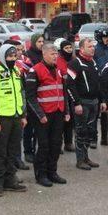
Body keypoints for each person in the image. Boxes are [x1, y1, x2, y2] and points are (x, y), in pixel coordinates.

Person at [0, 45, 28, 197]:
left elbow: (22, 94)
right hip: (1, 119)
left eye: (15, 56)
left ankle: (11, 180)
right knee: (0, 152)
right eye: (10, 57)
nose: (13, 59)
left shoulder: (17, 71)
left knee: (13, 151)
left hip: (16, 117)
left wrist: (23, 115)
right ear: (3, 56)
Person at [25, 43, 70, 187]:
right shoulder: (35, 70)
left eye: (56, 54)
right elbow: (30, 96)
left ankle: (52, 172)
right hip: (43, 115)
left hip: (58, 112)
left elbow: (64, 92)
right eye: (52, 54)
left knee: (56, 144)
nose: (55, 56)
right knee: (43, 146)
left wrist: (66, 111)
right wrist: (40, 114)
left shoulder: (58, 70)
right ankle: (41, 175)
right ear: (44, 54)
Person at [67, 38, 104, 170]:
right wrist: (76, 103)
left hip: (94, 102)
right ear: (81, 49)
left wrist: (103, 100)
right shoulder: (74, 63)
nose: (92, 48)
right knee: (81, 131)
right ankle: (80, 159)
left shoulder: (93, 62)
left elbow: (99, 83)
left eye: (93, 46)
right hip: (82, 102)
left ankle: (86, 157)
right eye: (89, 46)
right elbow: (69, 85)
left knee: (90, 131)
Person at [2, 39, 31, 171]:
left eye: (20, 50)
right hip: (4, 113)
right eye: (16, 50)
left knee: (16, 139)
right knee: (5, 146)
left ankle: (16, 161)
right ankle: (8, 168)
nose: (19, 53)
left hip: (19, 106)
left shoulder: (22, 63)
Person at [23, 33, 44, 163]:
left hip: (41, 94)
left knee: (40, 126)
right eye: (39, 42)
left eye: (43, 41)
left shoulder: (43, 55)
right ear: (33, 42)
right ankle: (27, 151)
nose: (41, 44)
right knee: (29, 127)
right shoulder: (28, 56)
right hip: (30, 94)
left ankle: (38, 149)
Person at [94, 25, 108, 147]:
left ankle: (105, 138)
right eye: (106, 37)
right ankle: (93, 138)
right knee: (96, 112)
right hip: (98, 84)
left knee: (107, 114)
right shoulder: (96, 50)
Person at [54, 38, 75, 152]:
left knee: (71, 119)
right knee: (61, 120)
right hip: (62, 93)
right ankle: (58, 143)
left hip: (73, 93)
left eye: (70, 47)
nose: (69, 50)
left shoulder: (74, 60)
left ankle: (69, 142)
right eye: (66, 48)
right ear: (61, 50)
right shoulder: (58, 61)